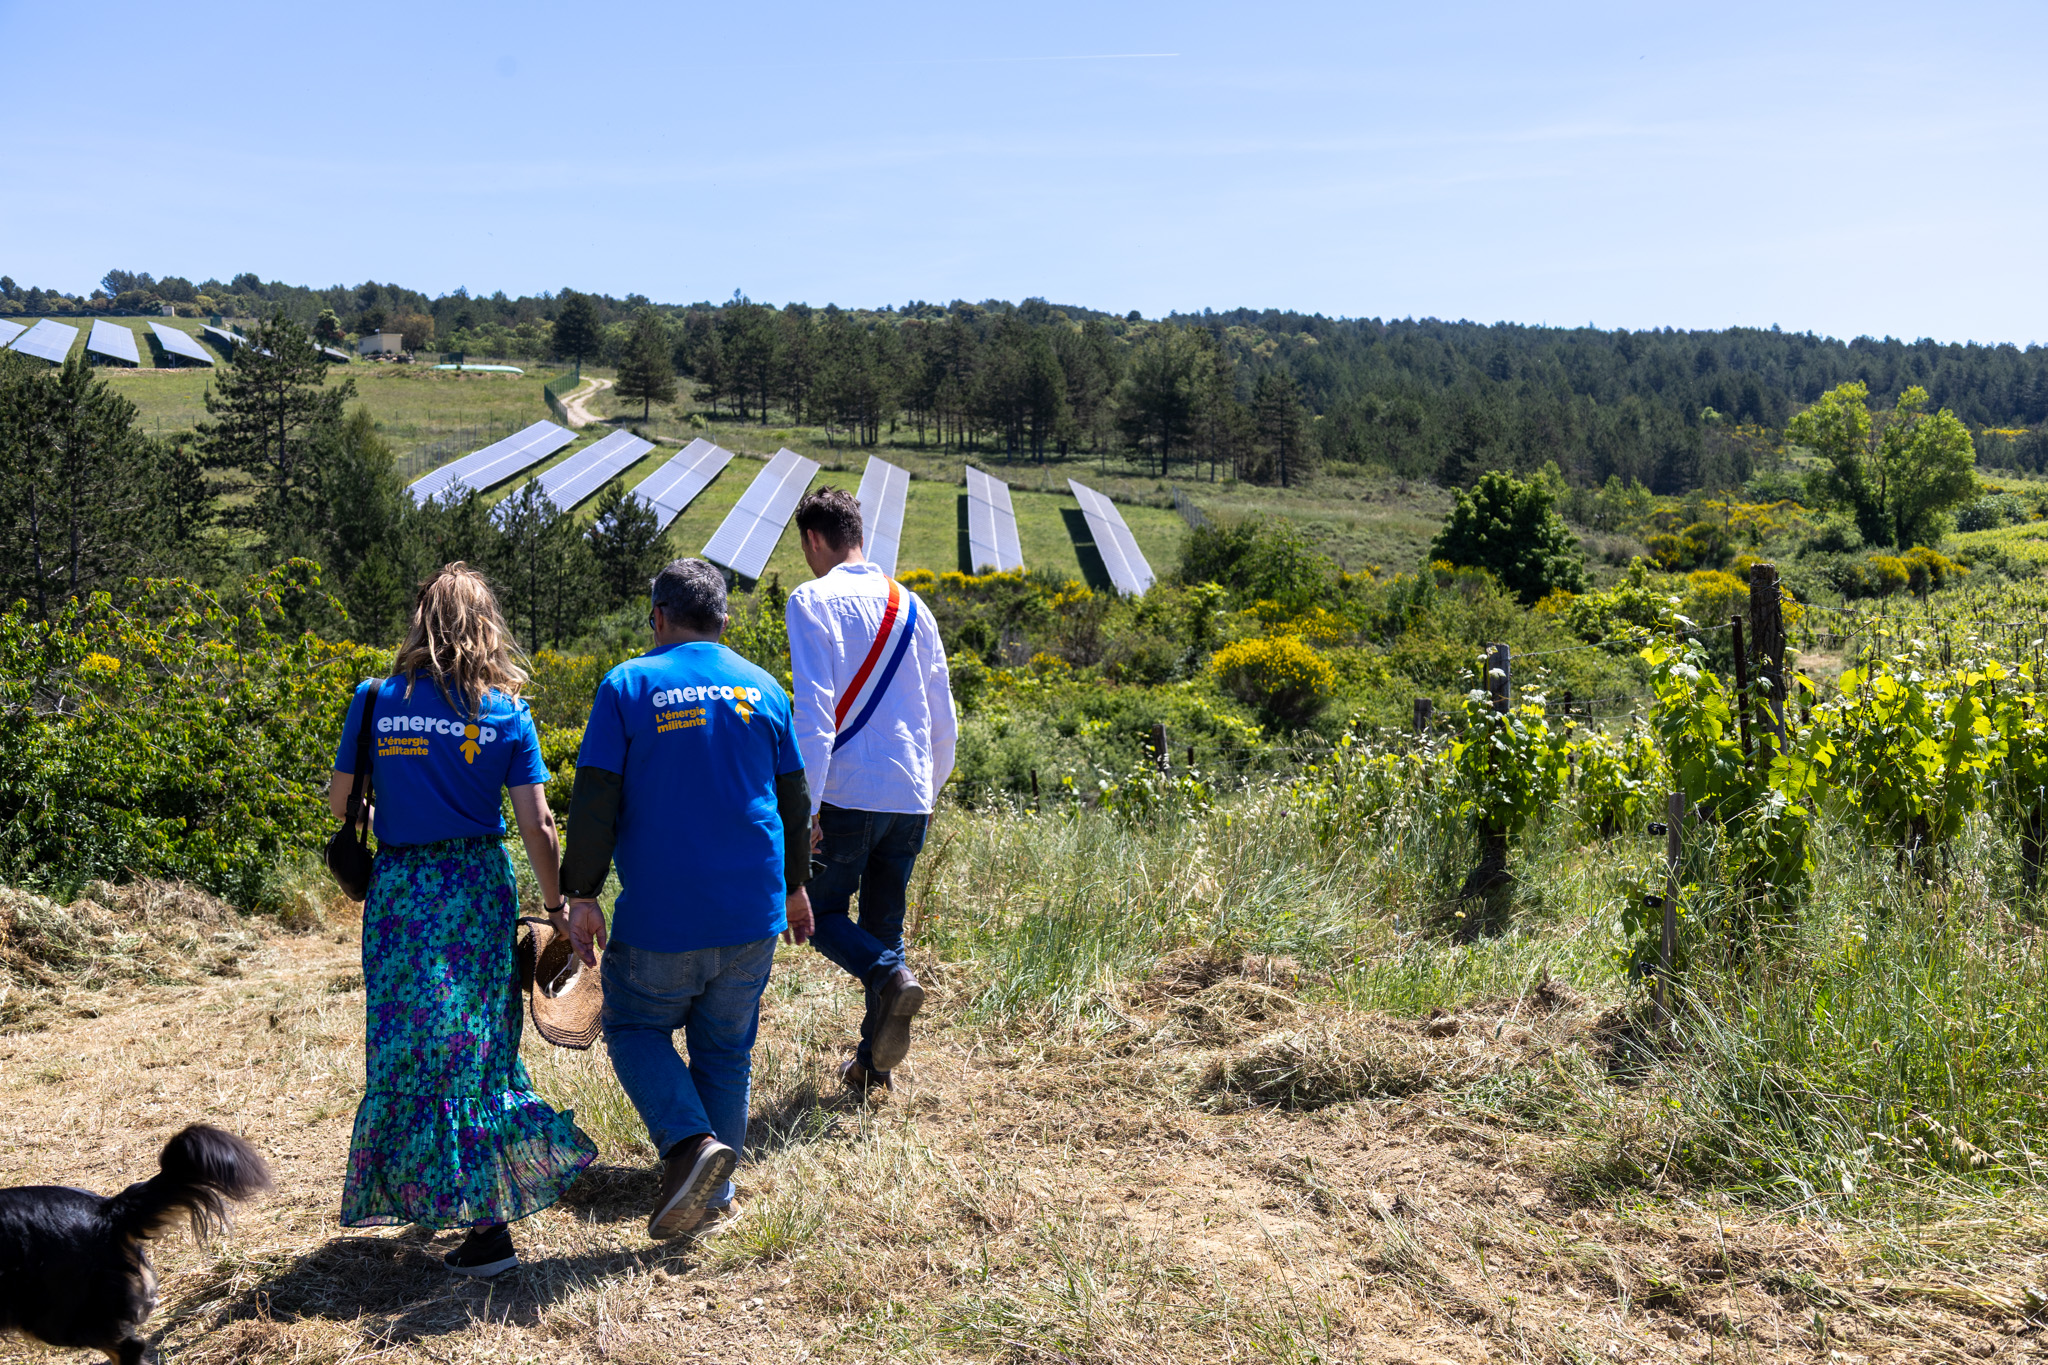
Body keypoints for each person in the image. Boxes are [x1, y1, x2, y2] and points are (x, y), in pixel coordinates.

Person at [329, 563, 596, 1278]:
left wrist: (402, 819)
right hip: (476, 885)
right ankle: (484, 1223)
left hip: (402, 892)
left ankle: (439, 1200)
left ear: (420, 622)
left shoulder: (374, 698)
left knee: (409, 1043)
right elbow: (537, 820)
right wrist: (555, 904)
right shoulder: (506, 709)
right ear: (486, 626)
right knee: (477, 1047)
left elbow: (339, 801)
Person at [559, 558, 815, 1239]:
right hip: (753, 914)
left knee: (636, 1027)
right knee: (726, 1051)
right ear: (724, 621)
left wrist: (579, 892)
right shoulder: (766, 689)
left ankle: (688, 1146)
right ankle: (717, 1193)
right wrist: (794, 888)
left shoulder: (629, 685)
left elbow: (595, 800)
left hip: (663, 917)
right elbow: (793, 803)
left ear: (659, 617)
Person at [785, 486, 956, 1094]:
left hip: (847, 792)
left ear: (813, 539)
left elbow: (815, 713)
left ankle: (890, 978)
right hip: (910, 792)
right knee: (883, 925)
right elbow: (944, 717)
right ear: (860, 532)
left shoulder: (810, 600)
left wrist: (804, 810)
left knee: (819, 915)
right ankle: (872, 1068)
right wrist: (927, 791)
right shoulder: (915, 606)